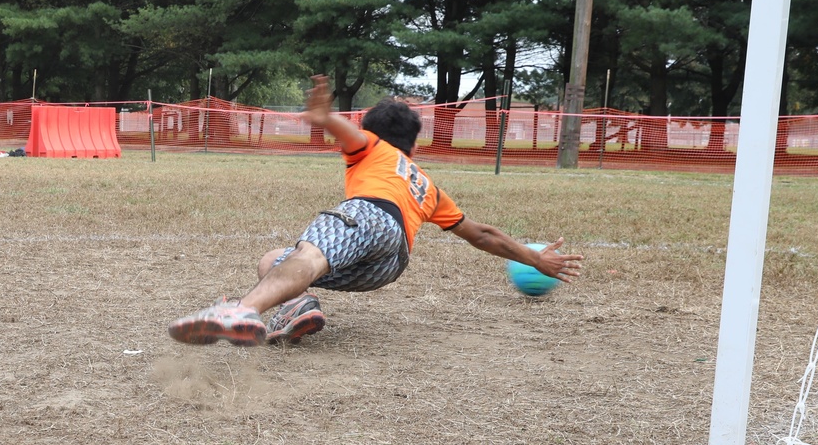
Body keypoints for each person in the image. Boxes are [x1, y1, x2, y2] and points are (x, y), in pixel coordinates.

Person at [168, 75, 584, 347]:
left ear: (372, 133)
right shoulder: (427, 185)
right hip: (390, 264)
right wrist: (536, 258)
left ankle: (243, 310)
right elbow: (482, 234)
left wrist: (326, 117)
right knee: (274, 260)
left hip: (370, 215)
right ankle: (297, 306)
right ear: (415, 145)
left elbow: (351, 133)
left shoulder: (372, 146)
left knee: (310, 253)